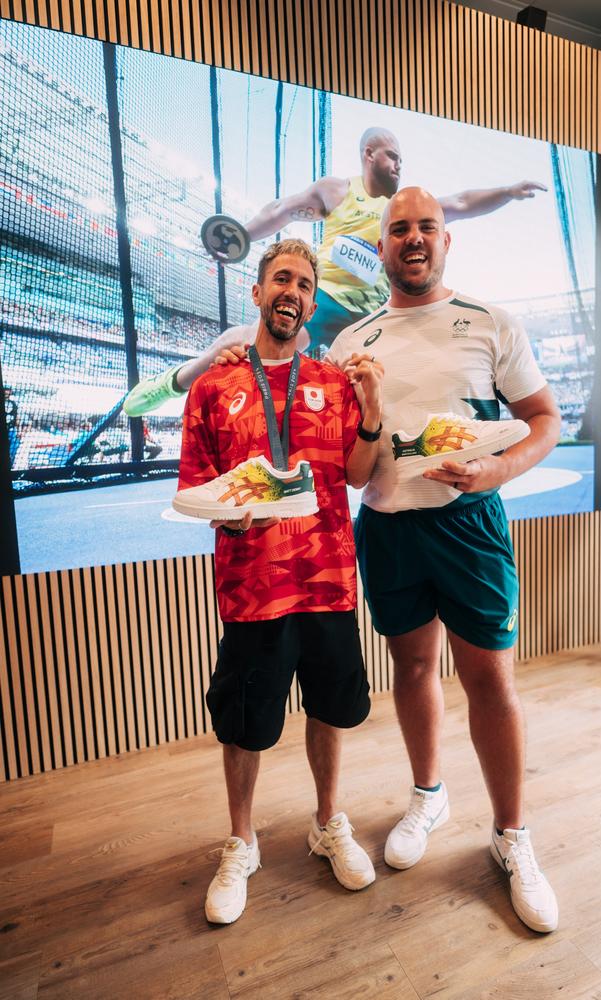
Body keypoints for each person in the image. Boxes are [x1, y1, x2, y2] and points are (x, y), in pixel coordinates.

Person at [327, 186, 562, 934]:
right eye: (401, 229)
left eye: (428, 226)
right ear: (384, 245)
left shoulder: (492, 323)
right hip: (389, 528)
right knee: (414, 667)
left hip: (470, 524)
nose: (415, 238)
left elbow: (543, 419)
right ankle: (428, 793)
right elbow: (354, 471)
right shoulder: (351, 343)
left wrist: (498, 471)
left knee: (490, 675)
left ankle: (512, 837)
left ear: (447, 240)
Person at [176, 238, 384, 925]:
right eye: (281, 279)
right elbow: (196, 488)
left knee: (329, 706)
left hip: (327, 580)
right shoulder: (214, 387)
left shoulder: (330, 380)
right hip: (251, 587)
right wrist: (228, 516)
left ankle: (327, 822)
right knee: (244, 722)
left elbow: (357, 474)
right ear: (258, 292)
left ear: (312, 301)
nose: (293, 292)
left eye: (304, 283)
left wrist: (373, 407)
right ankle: (242, 839)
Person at [123, 127, 545, 416]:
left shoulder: (404, 207)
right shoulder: (338, 191)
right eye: (393, 156)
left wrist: (507, 192)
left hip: (374, 317)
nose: (400, 164)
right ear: (370, 155)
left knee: (404, 382)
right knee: (249, 343)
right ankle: (173, 382)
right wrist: (242, 236)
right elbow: (283, 209)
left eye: (402, 158)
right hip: (326, 304)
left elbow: (463, 202)